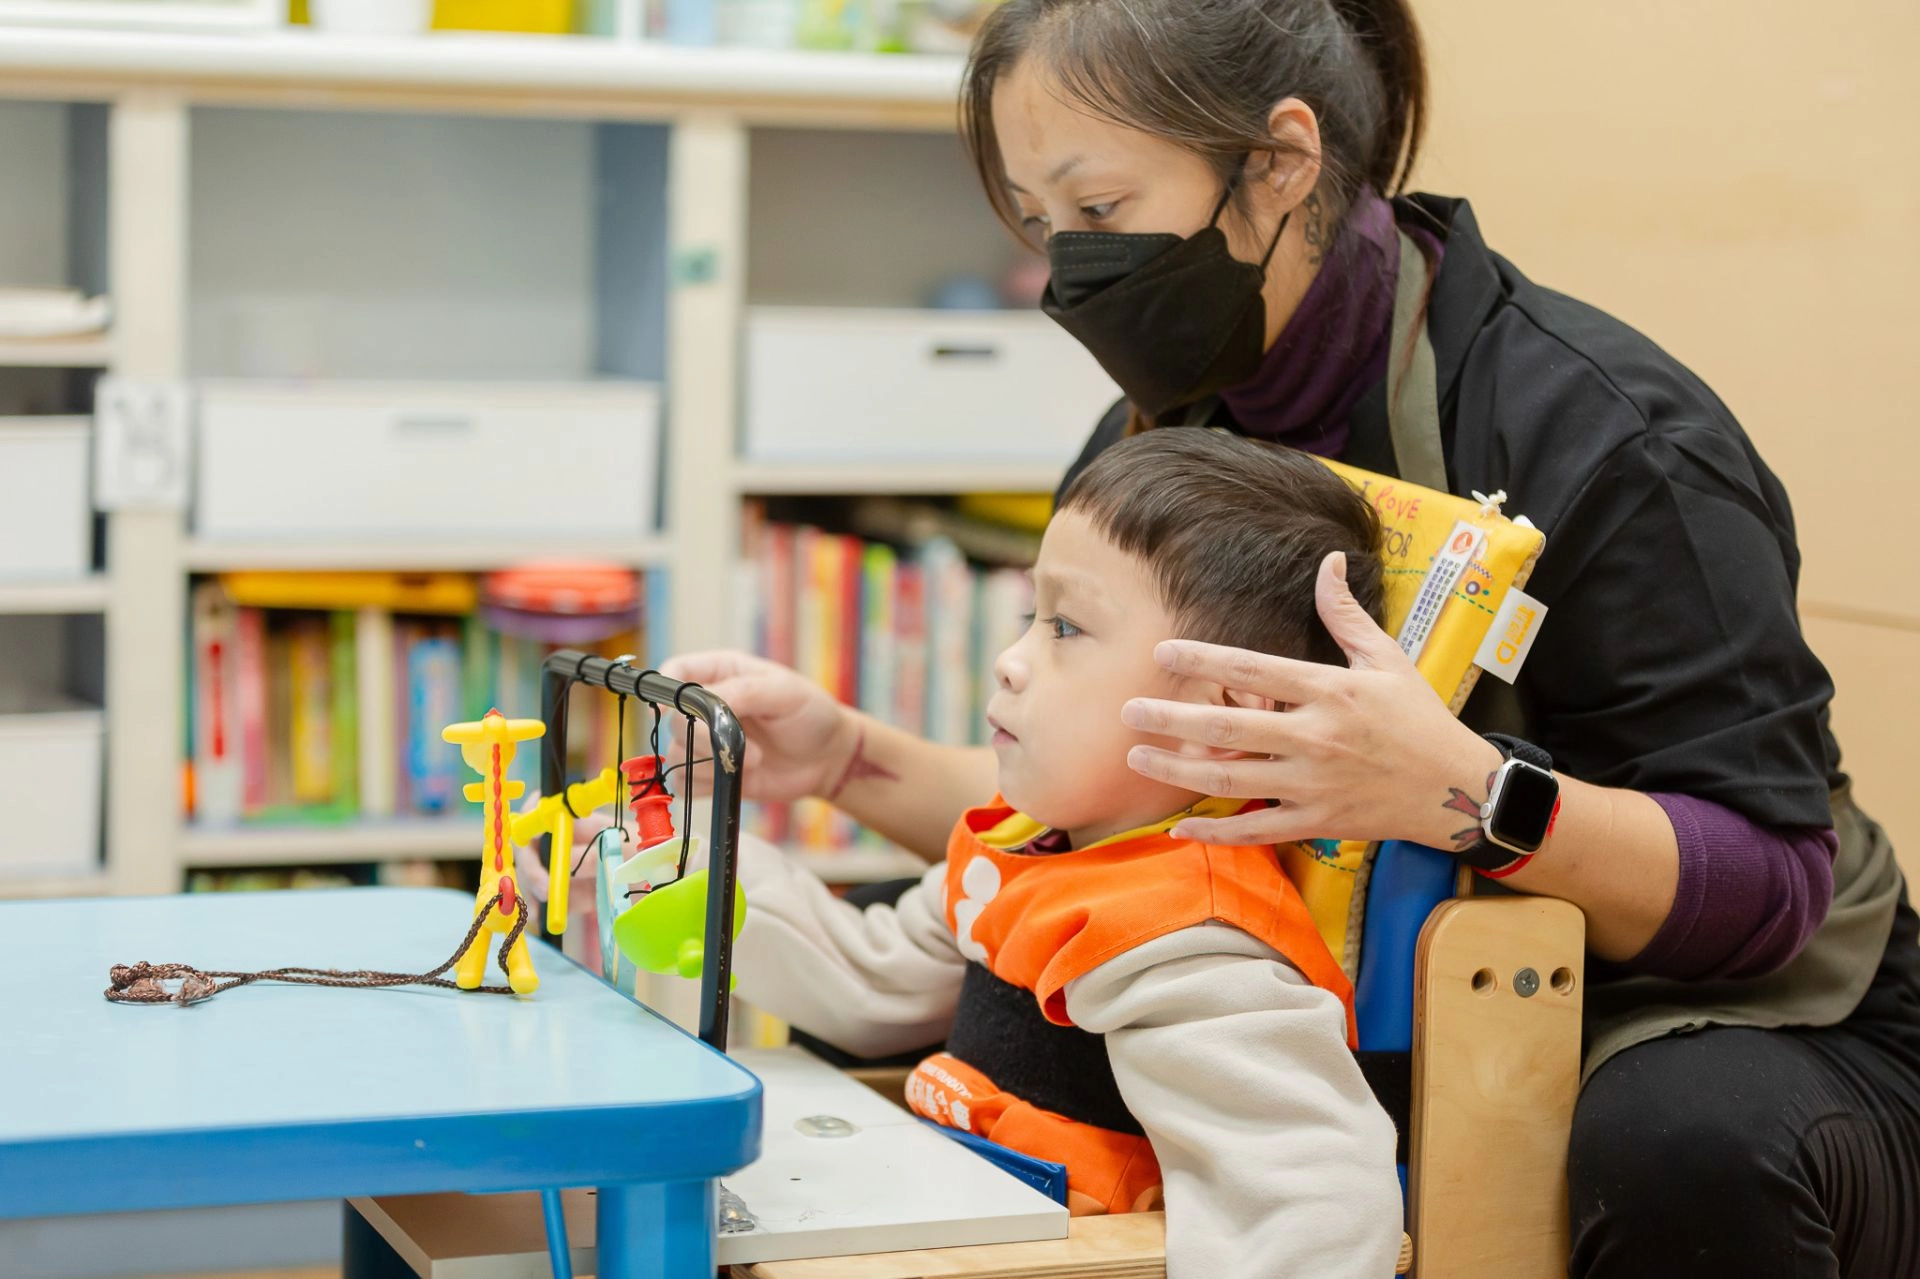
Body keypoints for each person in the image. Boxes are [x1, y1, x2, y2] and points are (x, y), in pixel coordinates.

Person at [668, 2, 1920, 1274]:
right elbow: (1109, 805)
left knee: (1678, 1142)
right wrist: (844, 759)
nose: (1065, 271)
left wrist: (1464, 794)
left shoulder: (1605, 439)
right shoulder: (1162, 433)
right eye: (1040, 224)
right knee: (937, 994)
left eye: (1097, 211)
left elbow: (1768, 891)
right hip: (1333, 980)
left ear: (1278, 163)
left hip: (1726, 1011)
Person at [693, 428, 1402, 1278]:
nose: (1012, 658)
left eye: (1065, 627)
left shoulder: (1192, 938)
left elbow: (1313, 1204)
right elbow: (874, 977)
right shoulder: (1038, 845)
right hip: (946, 1212)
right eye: (1034, 615)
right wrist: (683, 873)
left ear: (1227, 711)